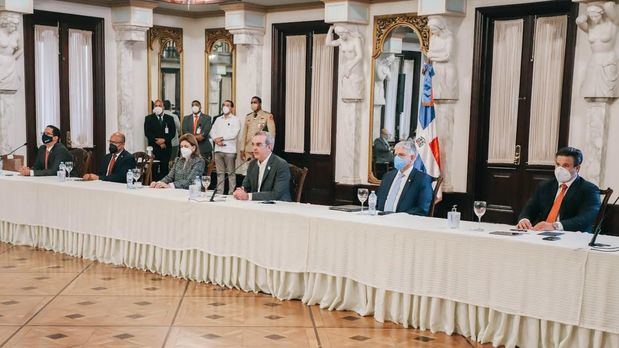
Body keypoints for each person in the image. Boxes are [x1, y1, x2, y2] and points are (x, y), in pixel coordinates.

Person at [517, 147, 601, 232]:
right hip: (542, 234)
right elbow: (530, 207)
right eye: (558, 164)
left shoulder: (589, 189)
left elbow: (585, 219)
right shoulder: (544, 186)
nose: (560, 169)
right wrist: (524, 219)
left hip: (570, 236)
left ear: (577, 168)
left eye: (566, 165)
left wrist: (555, 226)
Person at [376, 140, 433, 215]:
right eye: (395, 155)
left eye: (401, 155)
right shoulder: (388, 176)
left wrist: (396, 216)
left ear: (412, 157)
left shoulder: (422, 179)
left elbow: (422, 209)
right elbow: (377, 203)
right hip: (380, 220)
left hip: (404, 222)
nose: (396, 158)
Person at [233, 131, 290, 201]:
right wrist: (241, 191)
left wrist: (248, 196)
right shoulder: (252, 164)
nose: (254, 148)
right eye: (253, 144)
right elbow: (246, 186)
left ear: (269, 147)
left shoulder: (281, 164)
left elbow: (276, 194)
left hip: (278, 206)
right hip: (258, 205)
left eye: (258, 145)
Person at [210, 100, 241, 194]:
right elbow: (212, 131)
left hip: (230, 150)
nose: (225, 107)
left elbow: (234, 133)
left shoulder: (235, 119)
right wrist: (216, 140)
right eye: (223, 105)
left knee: (231, 173)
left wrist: (221, 138)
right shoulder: (218, 119)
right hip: (218, 150)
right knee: (220, 173)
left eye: (227, 105)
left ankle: (231, 193)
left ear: (232, 108)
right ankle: (219, 192)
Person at [144, 99, 176, 181]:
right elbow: (148, 133)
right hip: (154, 148)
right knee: (154, 169)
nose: (158, 107)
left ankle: (163, 185)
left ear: (163, 107)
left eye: (160, 106)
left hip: (166, 148)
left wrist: (164, 140)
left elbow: (172, 133)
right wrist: (158, 142)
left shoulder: (170, 118)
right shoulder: (148, 118)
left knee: (164, 169)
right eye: (156, 106)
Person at [241, 96, 276, 161]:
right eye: (251, 103)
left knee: (260, 169)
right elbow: (244, 134)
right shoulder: (248, 116)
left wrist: (269, 148)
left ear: (260, 104)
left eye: (255, 102)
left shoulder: (267, 116)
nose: (253, 104)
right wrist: (242, 149)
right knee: (249, 169)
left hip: (260, 148)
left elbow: (272, 134)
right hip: (248, 149)